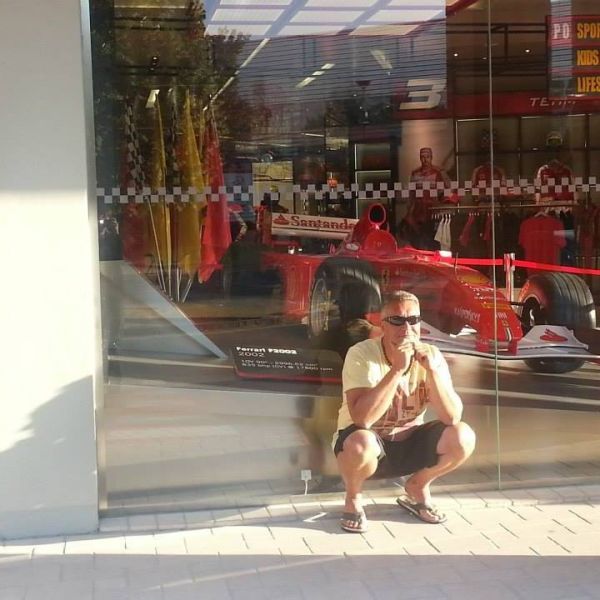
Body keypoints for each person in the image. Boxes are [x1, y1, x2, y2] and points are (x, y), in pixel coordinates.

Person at [333, 290, 476, 533]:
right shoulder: (361, 353)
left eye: (413, 320)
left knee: (463, 436)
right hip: (368, 445)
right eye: (397, 320)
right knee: (360, 442)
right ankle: (353, 498)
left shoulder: (431, 355)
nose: (406, 328)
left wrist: (432, 372)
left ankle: (417, 487)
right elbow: (362, 419)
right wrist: (398, 369)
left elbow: (452, 417)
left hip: (409, 441)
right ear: (383, 325)